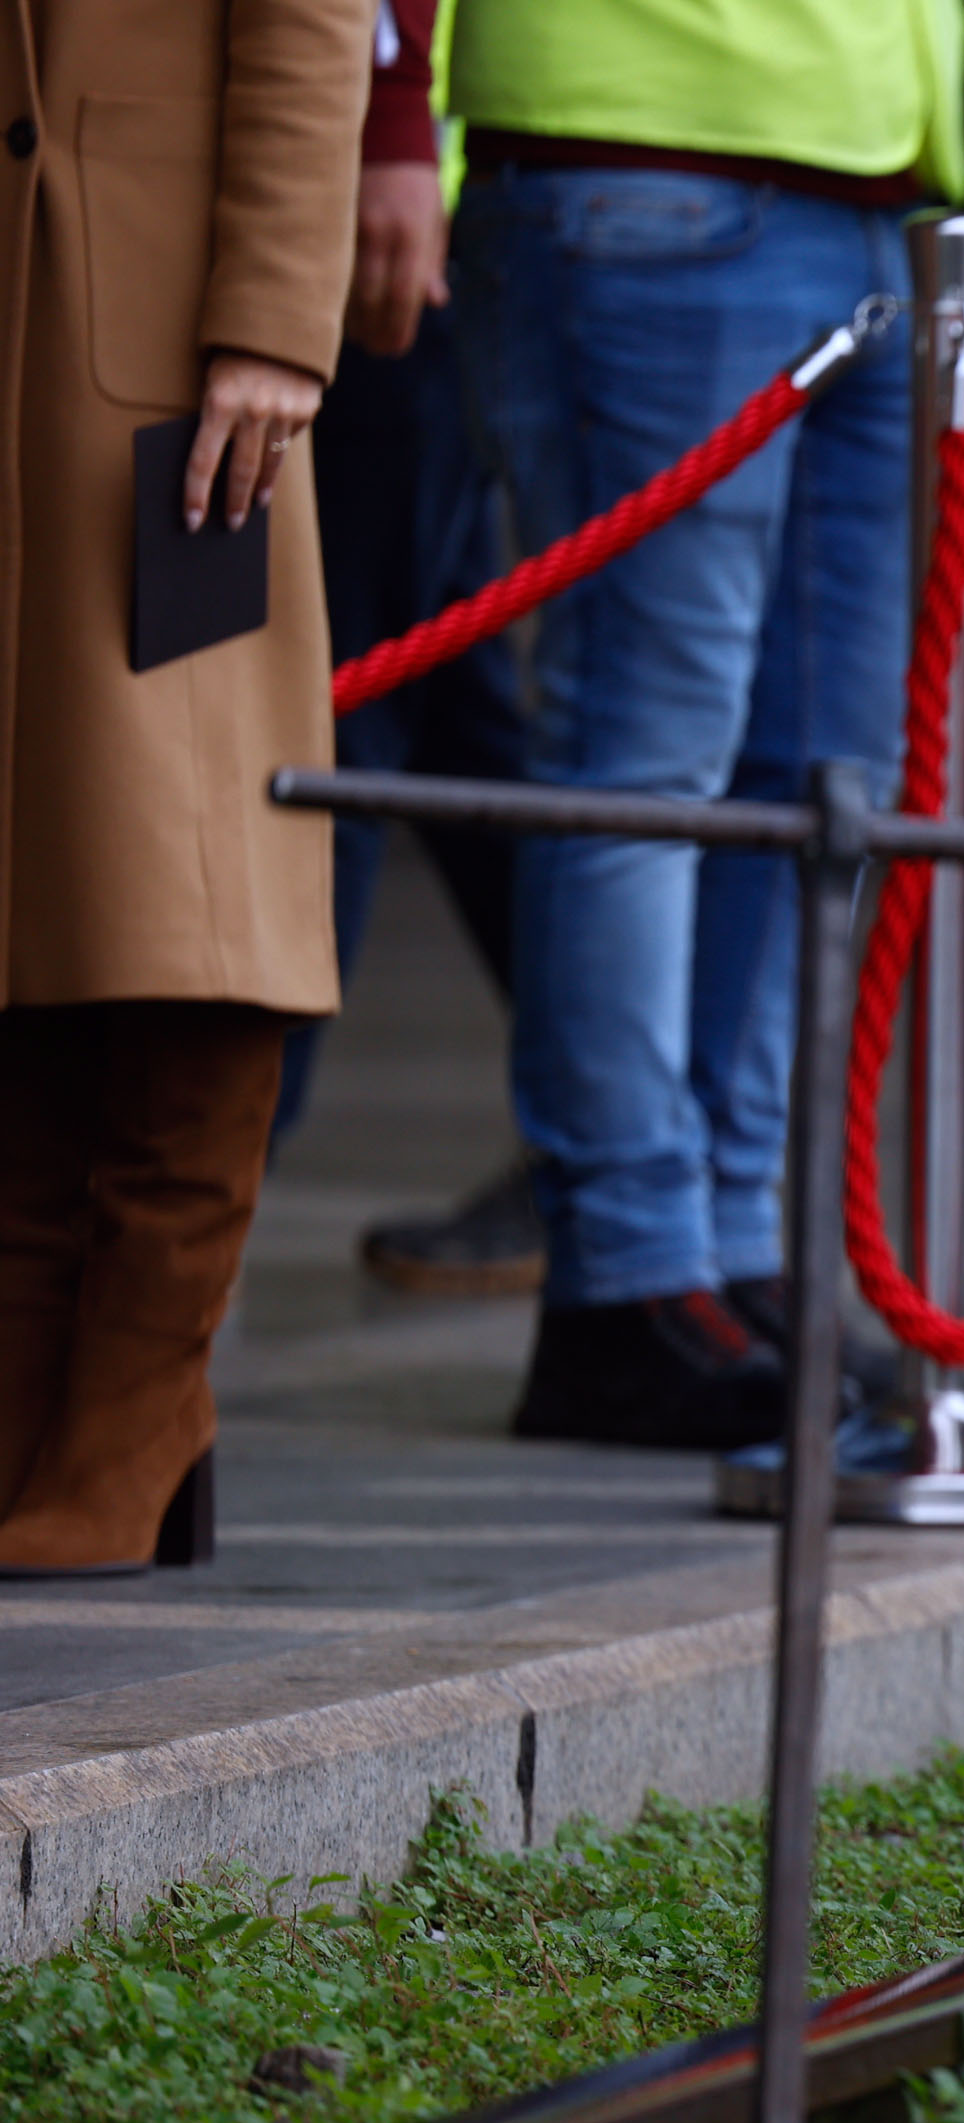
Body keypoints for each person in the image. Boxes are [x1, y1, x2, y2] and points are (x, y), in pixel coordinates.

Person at [447, 0, 954, 1446]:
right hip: (640, 150)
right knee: (644, 756)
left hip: (864, 180)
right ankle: (627, 1273)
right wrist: (389, 141)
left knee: (814, 774)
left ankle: (730, 1248)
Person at [0, 0, 370, 1573]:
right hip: (32, 351)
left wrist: (277, 319)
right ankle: (39, 1411)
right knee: (34, 889)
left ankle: (142, 1409)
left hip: (165, 360)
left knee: (197, 879)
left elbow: (308, 21)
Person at [277, 0, 543, 1302]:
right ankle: (615, 1120)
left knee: (331, 718)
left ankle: (204, 1166)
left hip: (378, 192)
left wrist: (388, 116)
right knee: (438, 694)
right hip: (389, 179)